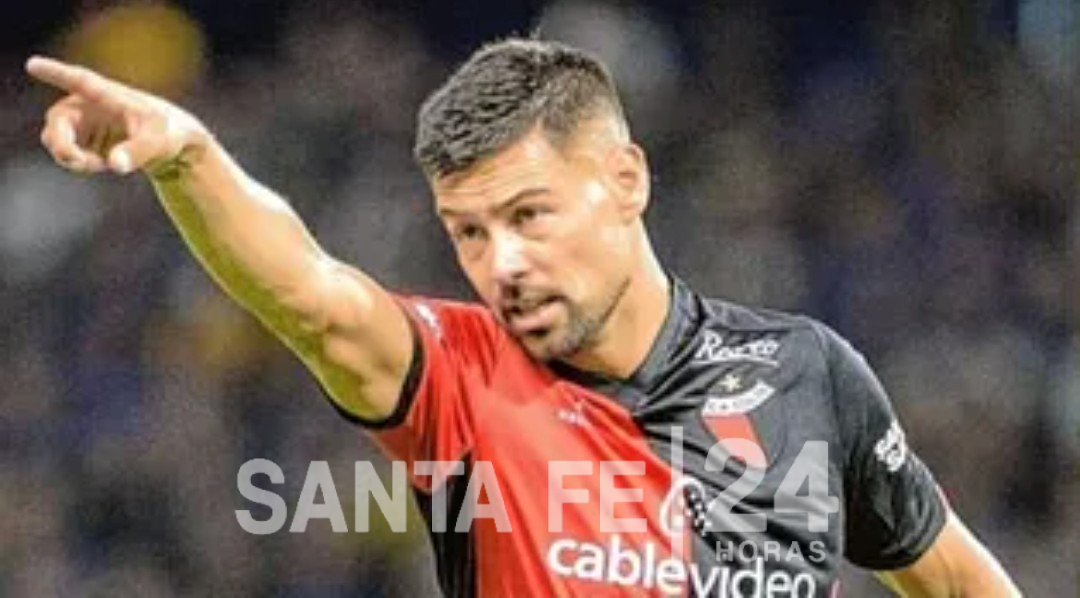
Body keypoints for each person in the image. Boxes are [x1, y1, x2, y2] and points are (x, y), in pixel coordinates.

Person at [28, 38, 1020, 597]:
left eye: (528, 216)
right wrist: (188, 158)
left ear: (625, 180)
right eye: (468, 231)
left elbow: (957, 581)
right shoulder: (463, 379)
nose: (499, 264)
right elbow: (311, 296)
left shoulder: (808, 373)